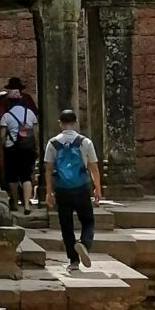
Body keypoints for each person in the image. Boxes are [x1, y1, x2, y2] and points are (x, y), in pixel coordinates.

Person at [43, 105, 103, 271]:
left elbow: (48, 170)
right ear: (75, 122)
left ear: (60, 123)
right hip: (81, 187)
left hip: (62, 188)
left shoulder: (53, 143)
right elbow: (93, 167)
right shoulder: (85, 142)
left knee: (66, 225)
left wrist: (49, 192)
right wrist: (97, 188)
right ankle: (84, 243)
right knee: (88, 221)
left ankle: (73, 261)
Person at [0, 77, 39, 209]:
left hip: (11, 147)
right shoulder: (29, 107)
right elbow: (36, 131)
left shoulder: (4, 106)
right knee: (26, 175)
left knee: (12, 176)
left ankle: (15, 202)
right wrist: (36, 146)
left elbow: (2, 133)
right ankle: (27, 204)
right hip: (27, 145)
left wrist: (1, 147)